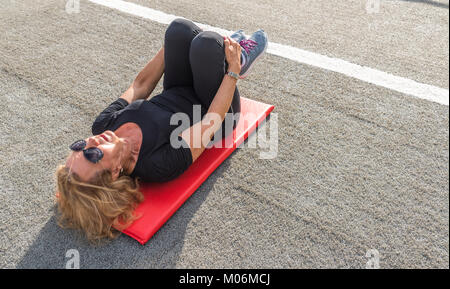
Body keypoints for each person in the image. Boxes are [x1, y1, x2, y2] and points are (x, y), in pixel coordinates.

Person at [55, 18, 268, 242]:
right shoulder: (158, 164)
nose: (91, 141)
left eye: (80, 145)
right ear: (115, 172)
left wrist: (173, 45)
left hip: (178, 89)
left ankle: (219, 53)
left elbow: (139, 86)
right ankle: (237, 56)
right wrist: (232, 70)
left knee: (179, 30)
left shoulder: (103, 125)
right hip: (215, 111)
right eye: (92, 155)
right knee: (206, 44)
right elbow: (210, 122)